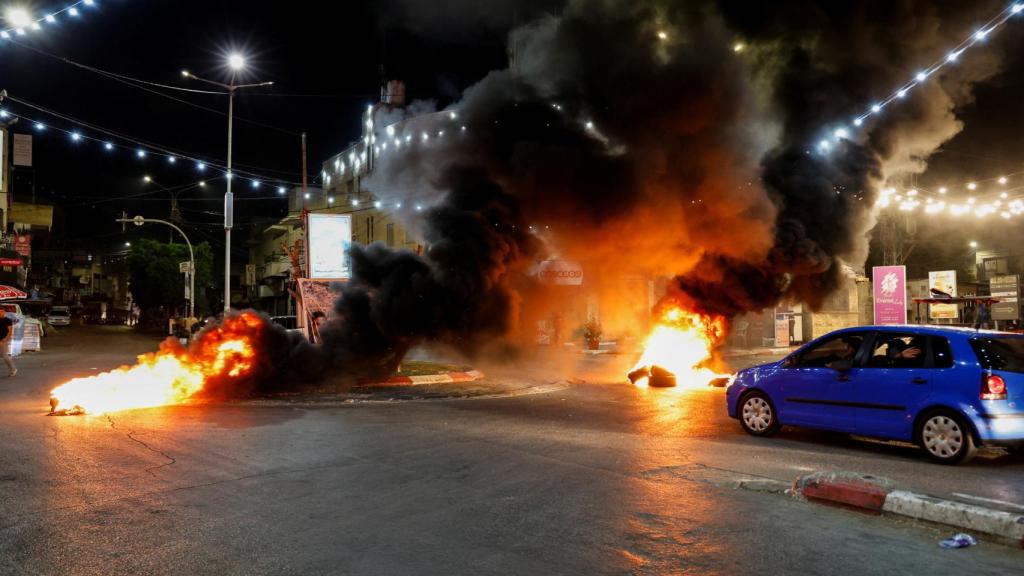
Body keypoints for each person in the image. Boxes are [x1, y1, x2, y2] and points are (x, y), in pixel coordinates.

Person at [0, 308, 17, 377]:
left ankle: (13, 369)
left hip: (3, 340)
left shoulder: (7, 320)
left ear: (4, 312)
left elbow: (10, 331)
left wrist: (6, 338)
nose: (1, 313)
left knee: (5, 356)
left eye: (2, 311)